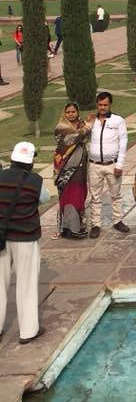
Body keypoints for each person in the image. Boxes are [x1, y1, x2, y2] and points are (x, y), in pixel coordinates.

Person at [0, 141, 50, 343]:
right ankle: (28, 331)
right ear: (30, 162)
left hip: (1, 237)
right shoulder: (35, 181)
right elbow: (45, 199)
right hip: (25, 237)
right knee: (26, 283)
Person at [87, 91, 130, 238]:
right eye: (100, 104)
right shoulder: (92, 121)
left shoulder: (118, 120)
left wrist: (120, 164)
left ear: (110, 104)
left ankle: (118, 221)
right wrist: (87, 123)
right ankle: (96, 224)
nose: (102, 107)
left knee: (115, 195)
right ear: (97, 105)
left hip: (112, 164)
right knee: (95, 196)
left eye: (105, 104)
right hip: (95, 165)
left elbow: (123, 142)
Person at [53, 102, 91, 239]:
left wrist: (86, 127)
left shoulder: (82, 124)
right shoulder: (61, 127)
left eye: (73, 111)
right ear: (64, 113)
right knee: (65, 197)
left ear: (77, 112)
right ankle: (65, 228)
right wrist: (86, 128)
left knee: (78, 195)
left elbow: (83, 136)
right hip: (64, 167)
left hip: (80, 167)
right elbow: (74, 138)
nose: (70, 114)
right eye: (68, 112)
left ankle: (77, 228)